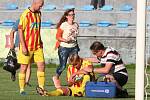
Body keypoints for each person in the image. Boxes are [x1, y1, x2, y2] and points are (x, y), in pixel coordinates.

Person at [17, 0, 45, 95]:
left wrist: (40, 40)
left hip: (37, 46)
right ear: (35, 3)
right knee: (24, 67)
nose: (41, 7)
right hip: (27, 46)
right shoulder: (25, 14)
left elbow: (37, 29)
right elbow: (20, 31)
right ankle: (22, 89)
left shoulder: (39, 14)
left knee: (41, 65)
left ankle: (41, 88)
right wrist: (23, 46)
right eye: (40, 6)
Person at [53, 8, 80, 88]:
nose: (72, 16)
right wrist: (65, 40)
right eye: (70, 15)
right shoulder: (64, 25)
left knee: (75, 64)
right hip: (64, 48)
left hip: (74, 47)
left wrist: (75, 44)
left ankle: (73, 80)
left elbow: (75, 36)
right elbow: (57, 37)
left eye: (73, 14)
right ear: (67, 16)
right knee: (63, 65)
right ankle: (56, 77)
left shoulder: (76, 25)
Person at [9, 19, 31, 86]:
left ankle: (26, 82)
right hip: (18, 45)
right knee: (19, 64)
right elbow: (12, 32)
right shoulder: (20, 20)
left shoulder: (32, 21)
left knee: (28, 64)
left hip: (29, 46)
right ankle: (13, 71)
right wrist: (12, 43)